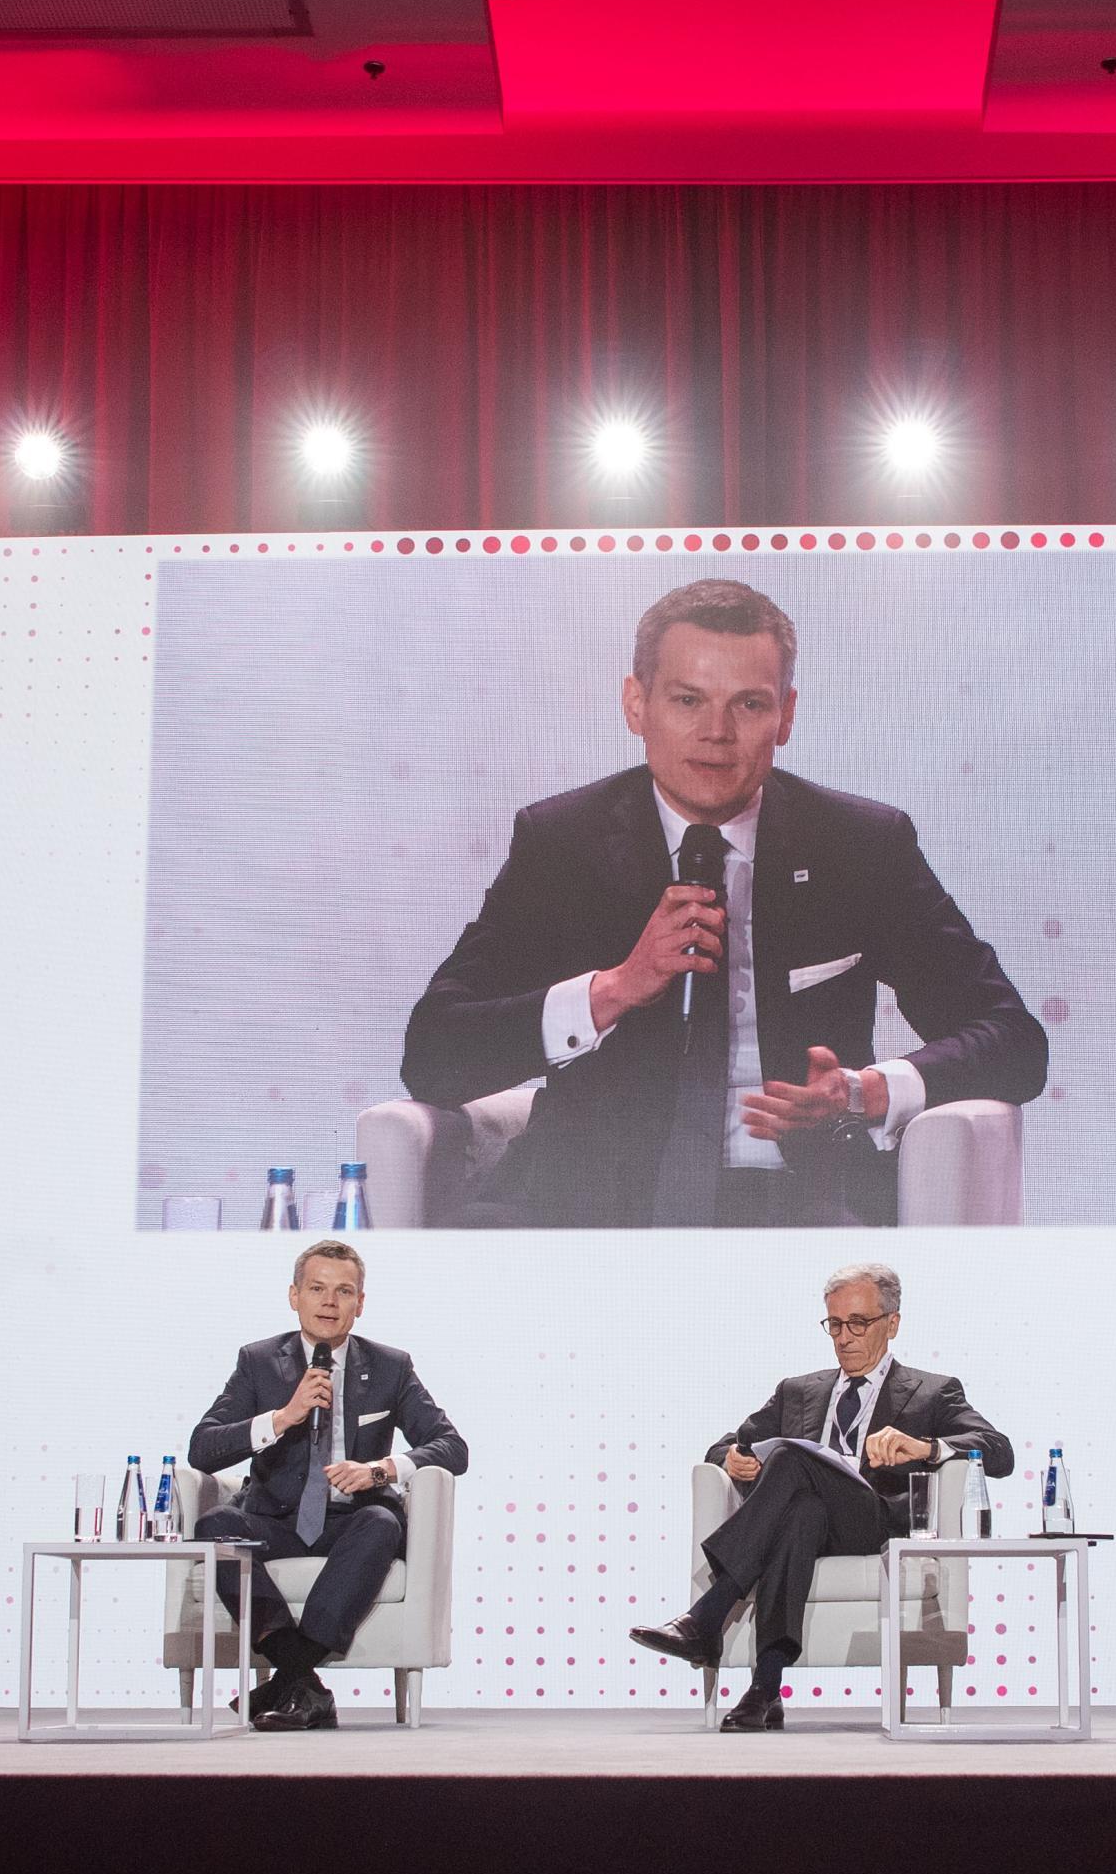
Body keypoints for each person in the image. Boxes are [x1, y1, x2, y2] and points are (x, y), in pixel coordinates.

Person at [399, 577, 1047, 1228]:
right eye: (687, 699)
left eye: (749, 705)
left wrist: (867, 1090)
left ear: (786, 715)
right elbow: (432, 1054)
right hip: (593, 1195)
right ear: (636, 704)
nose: (716, 732)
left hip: (795, 1195)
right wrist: (615, 989)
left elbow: (1014, 1040)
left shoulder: (861, 846)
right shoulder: (563, 845)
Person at [628, 1261, 1014, 1732]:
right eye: (834, 1324)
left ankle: (707, 1615)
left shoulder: (932, 1392)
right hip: (812, 1526)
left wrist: (926, 1447)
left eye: (858, 1323)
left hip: (872, 1523)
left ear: (891, 1324)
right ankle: (764, 1689)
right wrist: (730, 1458)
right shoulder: (798, 1391)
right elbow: (731, 1442)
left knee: (790, 1459)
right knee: (800, 1513)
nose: (844, 1337)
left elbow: (1000, 1453)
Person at [184, 1238, 470, 1731]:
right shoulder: (258, 1361)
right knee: (215, 1526)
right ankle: (304, 1684)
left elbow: (451, 1446)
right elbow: (203, 1448)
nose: (329, 1303)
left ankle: (287, 1682)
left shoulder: (390, 1366)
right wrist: (282, 1417)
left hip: (351, 1521)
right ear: (294, 1296)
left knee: (382, 1522)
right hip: (276, 1520)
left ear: (360, 1304)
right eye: (317, 1289)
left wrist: (379, 1470)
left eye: (344, 1292)